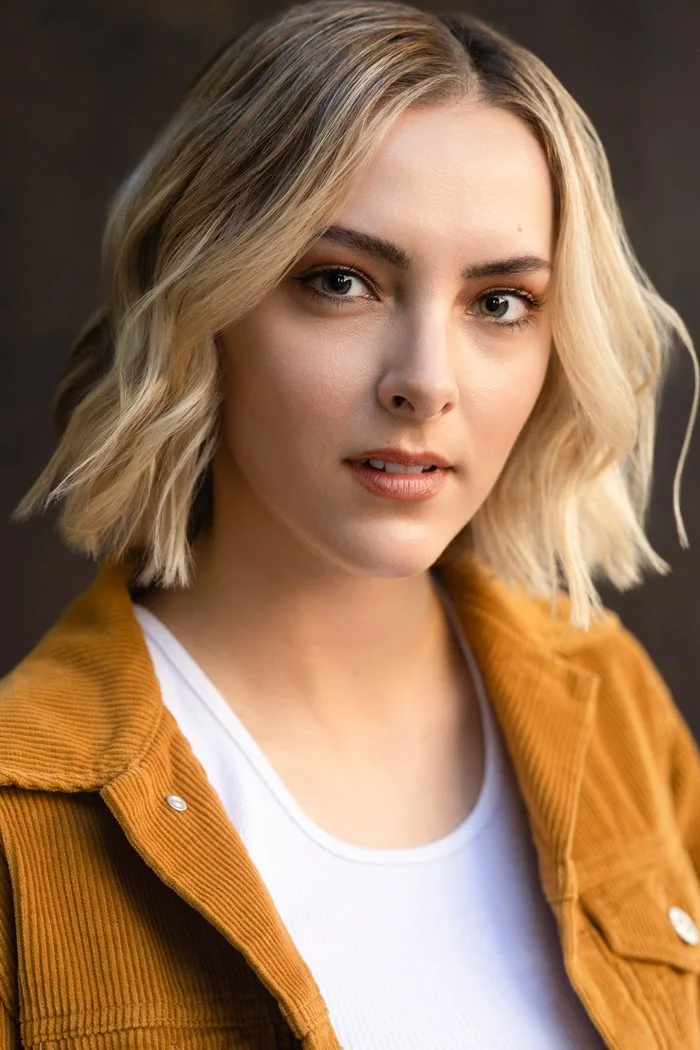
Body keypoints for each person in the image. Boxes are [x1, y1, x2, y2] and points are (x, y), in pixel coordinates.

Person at [2, 1, 699, 1046]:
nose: (425, 382)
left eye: (500, 302)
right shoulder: (24, 809)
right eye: (341, 283)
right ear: (206, 303)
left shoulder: (611, 701)